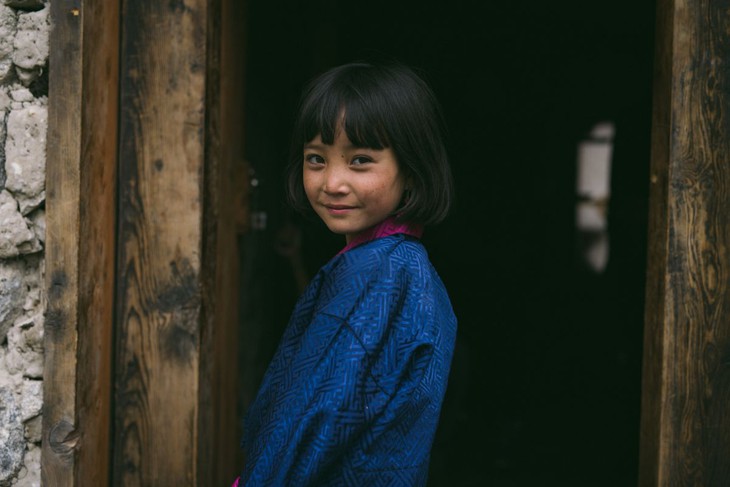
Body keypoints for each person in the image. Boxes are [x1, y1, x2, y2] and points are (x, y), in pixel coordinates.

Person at [235, 61, 457, 486]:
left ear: (410, 169)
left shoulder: (387, 272)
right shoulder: (387, 264)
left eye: (360, 161)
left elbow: (313, 423)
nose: (332, 182)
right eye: (316, 159)